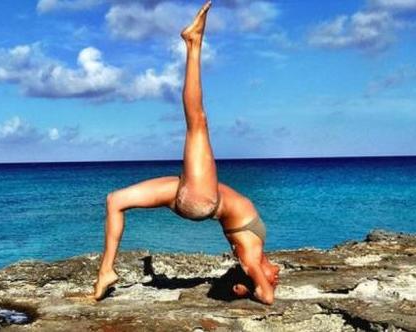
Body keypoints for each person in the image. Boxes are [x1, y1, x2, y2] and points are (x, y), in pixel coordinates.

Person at [89, 0, 279, 305]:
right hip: (189, 192)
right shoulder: (256, 258)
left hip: (203, 199)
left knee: (198, 123)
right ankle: (105, 272)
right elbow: (267, 283)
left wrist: (255, 283)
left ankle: (194, 44)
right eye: (273, 279)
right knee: (115, 200)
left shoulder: (250, 261)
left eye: (273, 280)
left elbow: (267, 298)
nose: (276, 279)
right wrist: (259, 278)